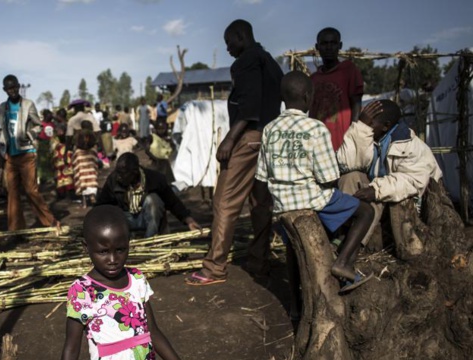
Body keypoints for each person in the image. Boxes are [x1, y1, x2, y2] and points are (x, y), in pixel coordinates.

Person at [51, 205, 208, 360]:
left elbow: (152, 331)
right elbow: (71, 349)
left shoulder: (137, 280)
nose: (113, 259)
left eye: (120, 250)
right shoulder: (82, 291)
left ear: (129, 243)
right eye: (103, 252)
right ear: (87, 248)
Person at [257, 72, 375, 302]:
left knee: (293, 248)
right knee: (365, 211)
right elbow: (329, 177)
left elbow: (262, 174)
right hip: (313, 200)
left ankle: (294, 302)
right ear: (308, 97)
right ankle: (343, 263)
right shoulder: (316, 128)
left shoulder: (269, 129)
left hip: (282, 206)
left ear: (283, 98)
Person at [187, 19, 283, 286]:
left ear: (241, 36)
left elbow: (249, 105)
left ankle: (214, 267)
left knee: (225, 202)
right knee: (260, 202)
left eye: (229, 42)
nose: (228, 48)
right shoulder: (269, 61)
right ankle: (259, 261)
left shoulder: (246, 61)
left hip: (247, 137)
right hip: (267, 138)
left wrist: (230, 139)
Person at [336, 99, 443, 245]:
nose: (367, 126)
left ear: (386, 126)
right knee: (349, 177)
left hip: (408, 202)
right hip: (383, 189)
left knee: (377, 198)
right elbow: (346, 163)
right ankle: (343, 231)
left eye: (370, 123)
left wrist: (376, 190)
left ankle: (354, 244)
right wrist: (360, 128)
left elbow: (413, 181)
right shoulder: (370, 136)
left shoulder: (411, 146)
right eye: (364, 121)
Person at [0, 74, 59, 231]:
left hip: (26, 154)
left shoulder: (27, 105)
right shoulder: (2, 108)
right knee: (12, 193)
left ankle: (50, 222)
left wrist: (28, 135)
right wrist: (2, 148)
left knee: (31, 190)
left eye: (15, 87)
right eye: (9, 88)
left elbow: (38, 125)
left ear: (19, 86)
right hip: (10, 156)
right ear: (5, 90)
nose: (13, 90)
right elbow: (1, 129)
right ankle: (16, 230)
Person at [97, 153, 201, 238]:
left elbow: (172, 202)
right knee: (112, 211)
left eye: (123, 174)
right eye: (118, 172)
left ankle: (151, 239)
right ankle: (125, 241)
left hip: (148, 218)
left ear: (134, 172)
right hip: (126, 219)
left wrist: (189, 221)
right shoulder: (113, 180)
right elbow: (101, 206)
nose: (119, 177)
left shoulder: (155, 179)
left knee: (153, 200)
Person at [309, 27, 364, 152]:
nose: (329, 48)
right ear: (317, 47)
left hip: (341, 141)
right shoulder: (313, 79)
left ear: (340, 45)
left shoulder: (349, 71)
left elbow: (356, 103)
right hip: (317, 142)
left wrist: (352, 135)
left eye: (333, 43)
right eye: (324, 43)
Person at [72, 129, 100, 205]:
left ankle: (89, 198)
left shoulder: (91, 149)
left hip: (87, 172)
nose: (86, 139)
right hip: (86, 172)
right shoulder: (79, 151)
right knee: (86, 184)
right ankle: (88, 199)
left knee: (87, 184)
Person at [52, 124, 75, 199]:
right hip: (58, 162)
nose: (59, 132)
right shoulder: (55, 140)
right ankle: (61, 193)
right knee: (59, 177)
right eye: (58, 131)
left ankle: (70, 193)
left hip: (66, 161)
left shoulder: (68, 139)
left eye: (60, 131)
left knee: (68, 176)